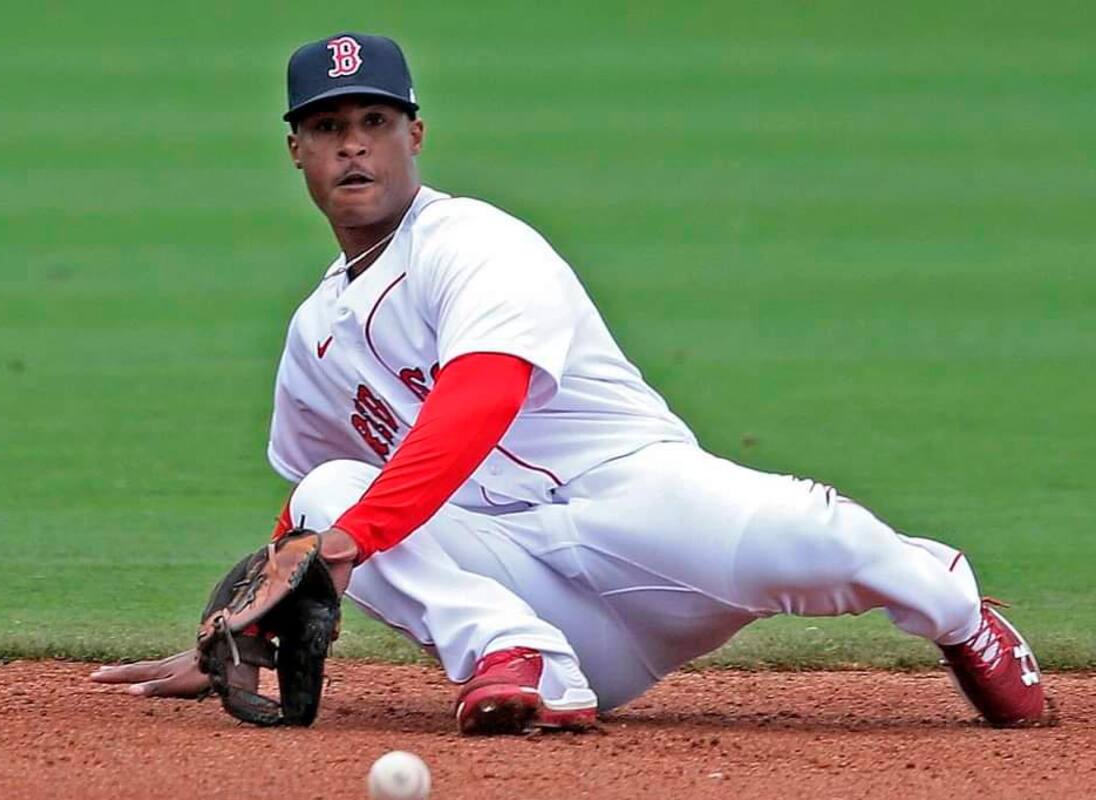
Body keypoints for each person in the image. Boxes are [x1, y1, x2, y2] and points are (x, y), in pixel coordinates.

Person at [92, 33, 1045, 733]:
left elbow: (484, 395)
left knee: (820, 543)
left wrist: (348, 539)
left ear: (415, 132)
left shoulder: (476, 244)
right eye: (328, 127)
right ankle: (522, 662)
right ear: (295, 150)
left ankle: (953, 603)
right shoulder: (314, 337)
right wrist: (229, 628)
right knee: (329, 493)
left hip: (640, 502)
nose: (354, 146)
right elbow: (310, 517)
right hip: (533, 584)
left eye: (374, 122)